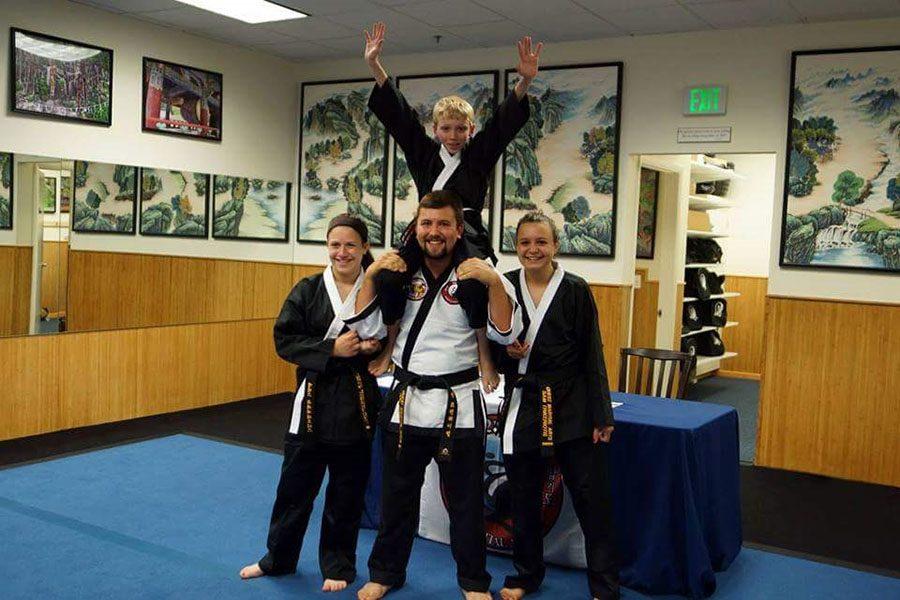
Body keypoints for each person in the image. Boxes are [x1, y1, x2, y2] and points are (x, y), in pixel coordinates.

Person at [344, 190, 522, 600]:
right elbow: (364, 323)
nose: (434, 232)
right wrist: (370, 275)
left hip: (457, 402)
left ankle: (473, 582)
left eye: (443, 224)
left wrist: (494, 280)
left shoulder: (477, 275)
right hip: (407, 401)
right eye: (426, 223)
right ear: (416, 227)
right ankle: (385, 572)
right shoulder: (399, 273)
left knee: (466, 503)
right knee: (396, 498)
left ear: (459, 229)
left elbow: (505, 331)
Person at [362, 21, 542, 393]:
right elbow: (399, 118)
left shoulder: (478, 155)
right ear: (435, 130)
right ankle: (391, 344)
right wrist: (375, 65)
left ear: (471, 130)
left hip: (468, 232)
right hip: (424, 229)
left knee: (475, 285)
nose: (454, 136)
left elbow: (502, 127)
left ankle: (485, 356)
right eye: (446, 128)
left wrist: (523, 82)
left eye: (461, 129)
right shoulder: (424, 153)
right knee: (391, 277)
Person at [240, 214, 386, 593]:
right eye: (335, 245)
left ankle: (338, 564)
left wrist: (375, 347)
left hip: (356, 399)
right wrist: (330, 348)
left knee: (346, 490)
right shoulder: (307, 289)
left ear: (364, 248)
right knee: (294, 487)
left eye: (351, 245)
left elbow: (393, 334)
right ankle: (278, 558)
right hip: (313, 399)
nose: (342, 252)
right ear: (327, 247)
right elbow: (284, 339)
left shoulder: (379, 289)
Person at [496, 212, 619, 600]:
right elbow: (487, 345)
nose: (533, 249)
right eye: (525, 243)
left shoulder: (576, 289)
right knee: (523, 498)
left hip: (572, 404)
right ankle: (526, 575)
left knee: (590, 498)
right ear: (516, 247)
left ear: (555, 246)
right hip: (524, 402)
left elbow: (592, 354)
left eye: (541, 242)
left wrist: (602, 414)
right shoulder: (503, 286)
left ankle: (604, 584)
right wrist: (506, 354)